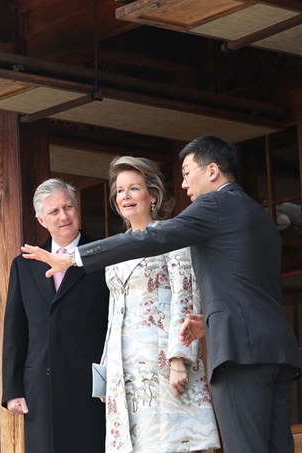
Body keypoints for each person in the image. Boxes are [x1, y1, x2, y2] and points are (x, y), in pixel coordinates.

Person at [21, 136, 302, 453]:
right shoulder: (257, 212)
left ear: (211, 171)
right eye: (119, 191)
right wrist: (209, 322)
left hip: (235, 353)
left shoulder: (213, 205)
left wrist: (74, 257)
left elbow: (154, 239)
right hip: (276, 349)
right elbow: (246, 287)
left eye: (187, 173)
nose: (184, 184)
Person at [100, 156, 219, 452]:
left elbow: (186, 295)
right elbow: (113, 315)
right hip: (122, 368)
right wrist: (104, 372)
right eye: (119, 191)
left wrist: (179, 358)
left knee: (170, 443)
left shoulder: (172, 237)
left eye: (133, 188)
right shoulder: (114, 248)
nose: (125, 196)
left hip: (162, 362)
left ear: (152, 195)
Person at [2, 178, 110, 453]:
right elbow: (15, 329)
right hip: (41, 386)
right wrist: (12, 387)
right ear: (41, 220)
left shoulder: (103, 256)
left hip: (92, 385)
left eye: (68, 207)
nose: (64, 216)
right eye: (54, 212)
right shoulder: (24, 265)